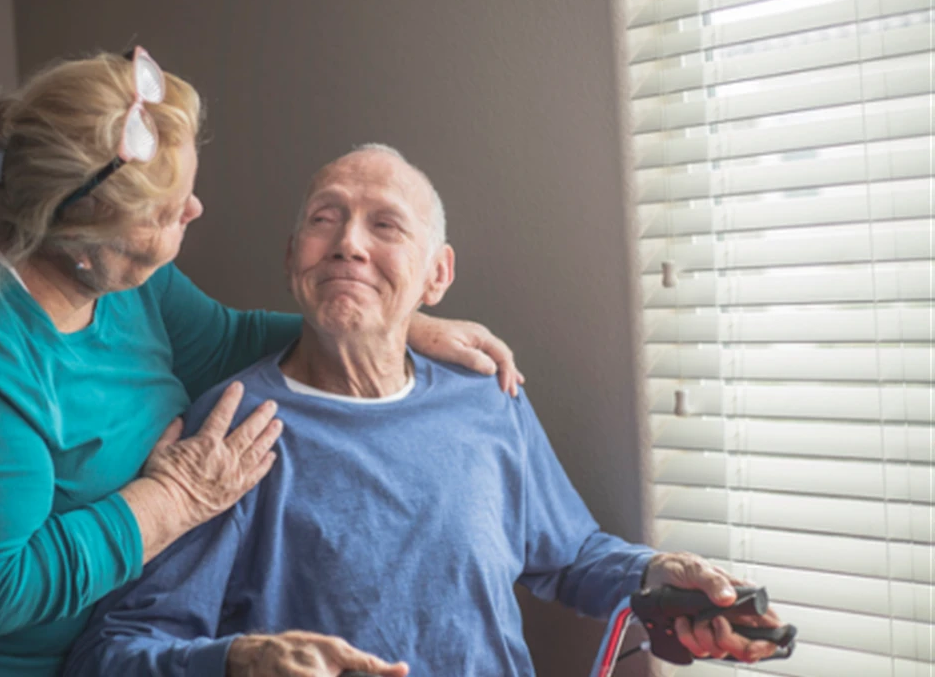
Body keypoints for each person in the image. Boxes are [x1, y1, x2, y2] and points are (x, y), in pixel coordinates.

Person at [0, 49, 524, 677]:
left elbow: (220, 339)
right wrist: (170, 503)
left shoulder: (74, 241)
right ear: (80, 239)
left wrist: (394, 322)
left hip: (113, 645)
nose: (194, 210)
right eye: (167, 211)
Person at [67, 145, 786, 677]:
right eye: (327, 219)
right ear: (294, 257)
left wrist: (662, 577)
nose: (349, 243)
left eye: (385, 225)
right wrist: (239, 660)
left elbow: (569, 554)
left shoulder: (488, 402)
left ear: (437, 275)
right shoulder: (230, 436)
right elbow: (114, 652)